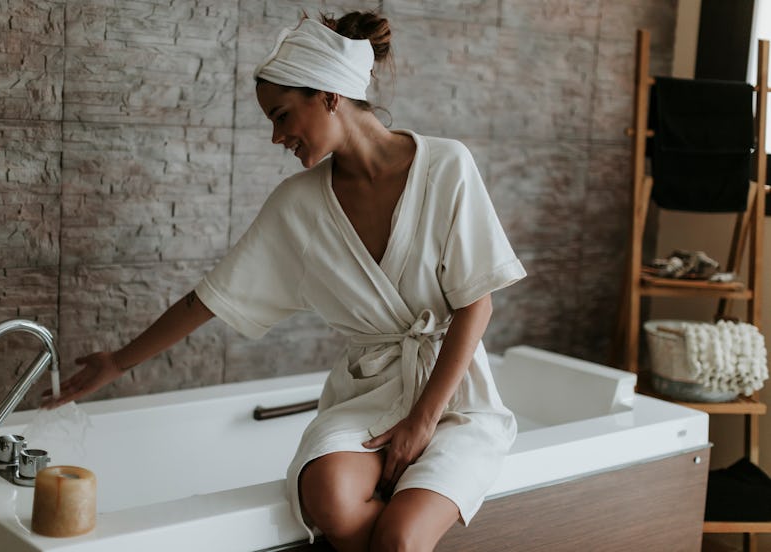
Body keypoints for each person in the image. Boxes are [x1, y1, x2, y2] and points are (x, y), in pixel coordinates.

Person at [47, 10, 526, 552]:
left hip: (455, 398)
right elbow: (207, 299)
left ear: (329, 95)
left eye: (281, 116)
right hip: (370, 396)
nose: (276, 137)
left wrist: (423, 420)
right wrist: (117, 362)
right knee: (328, 498)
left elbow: (476, 307)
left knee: (400, 537)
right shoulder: (297, 206)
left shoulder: (446, 166)